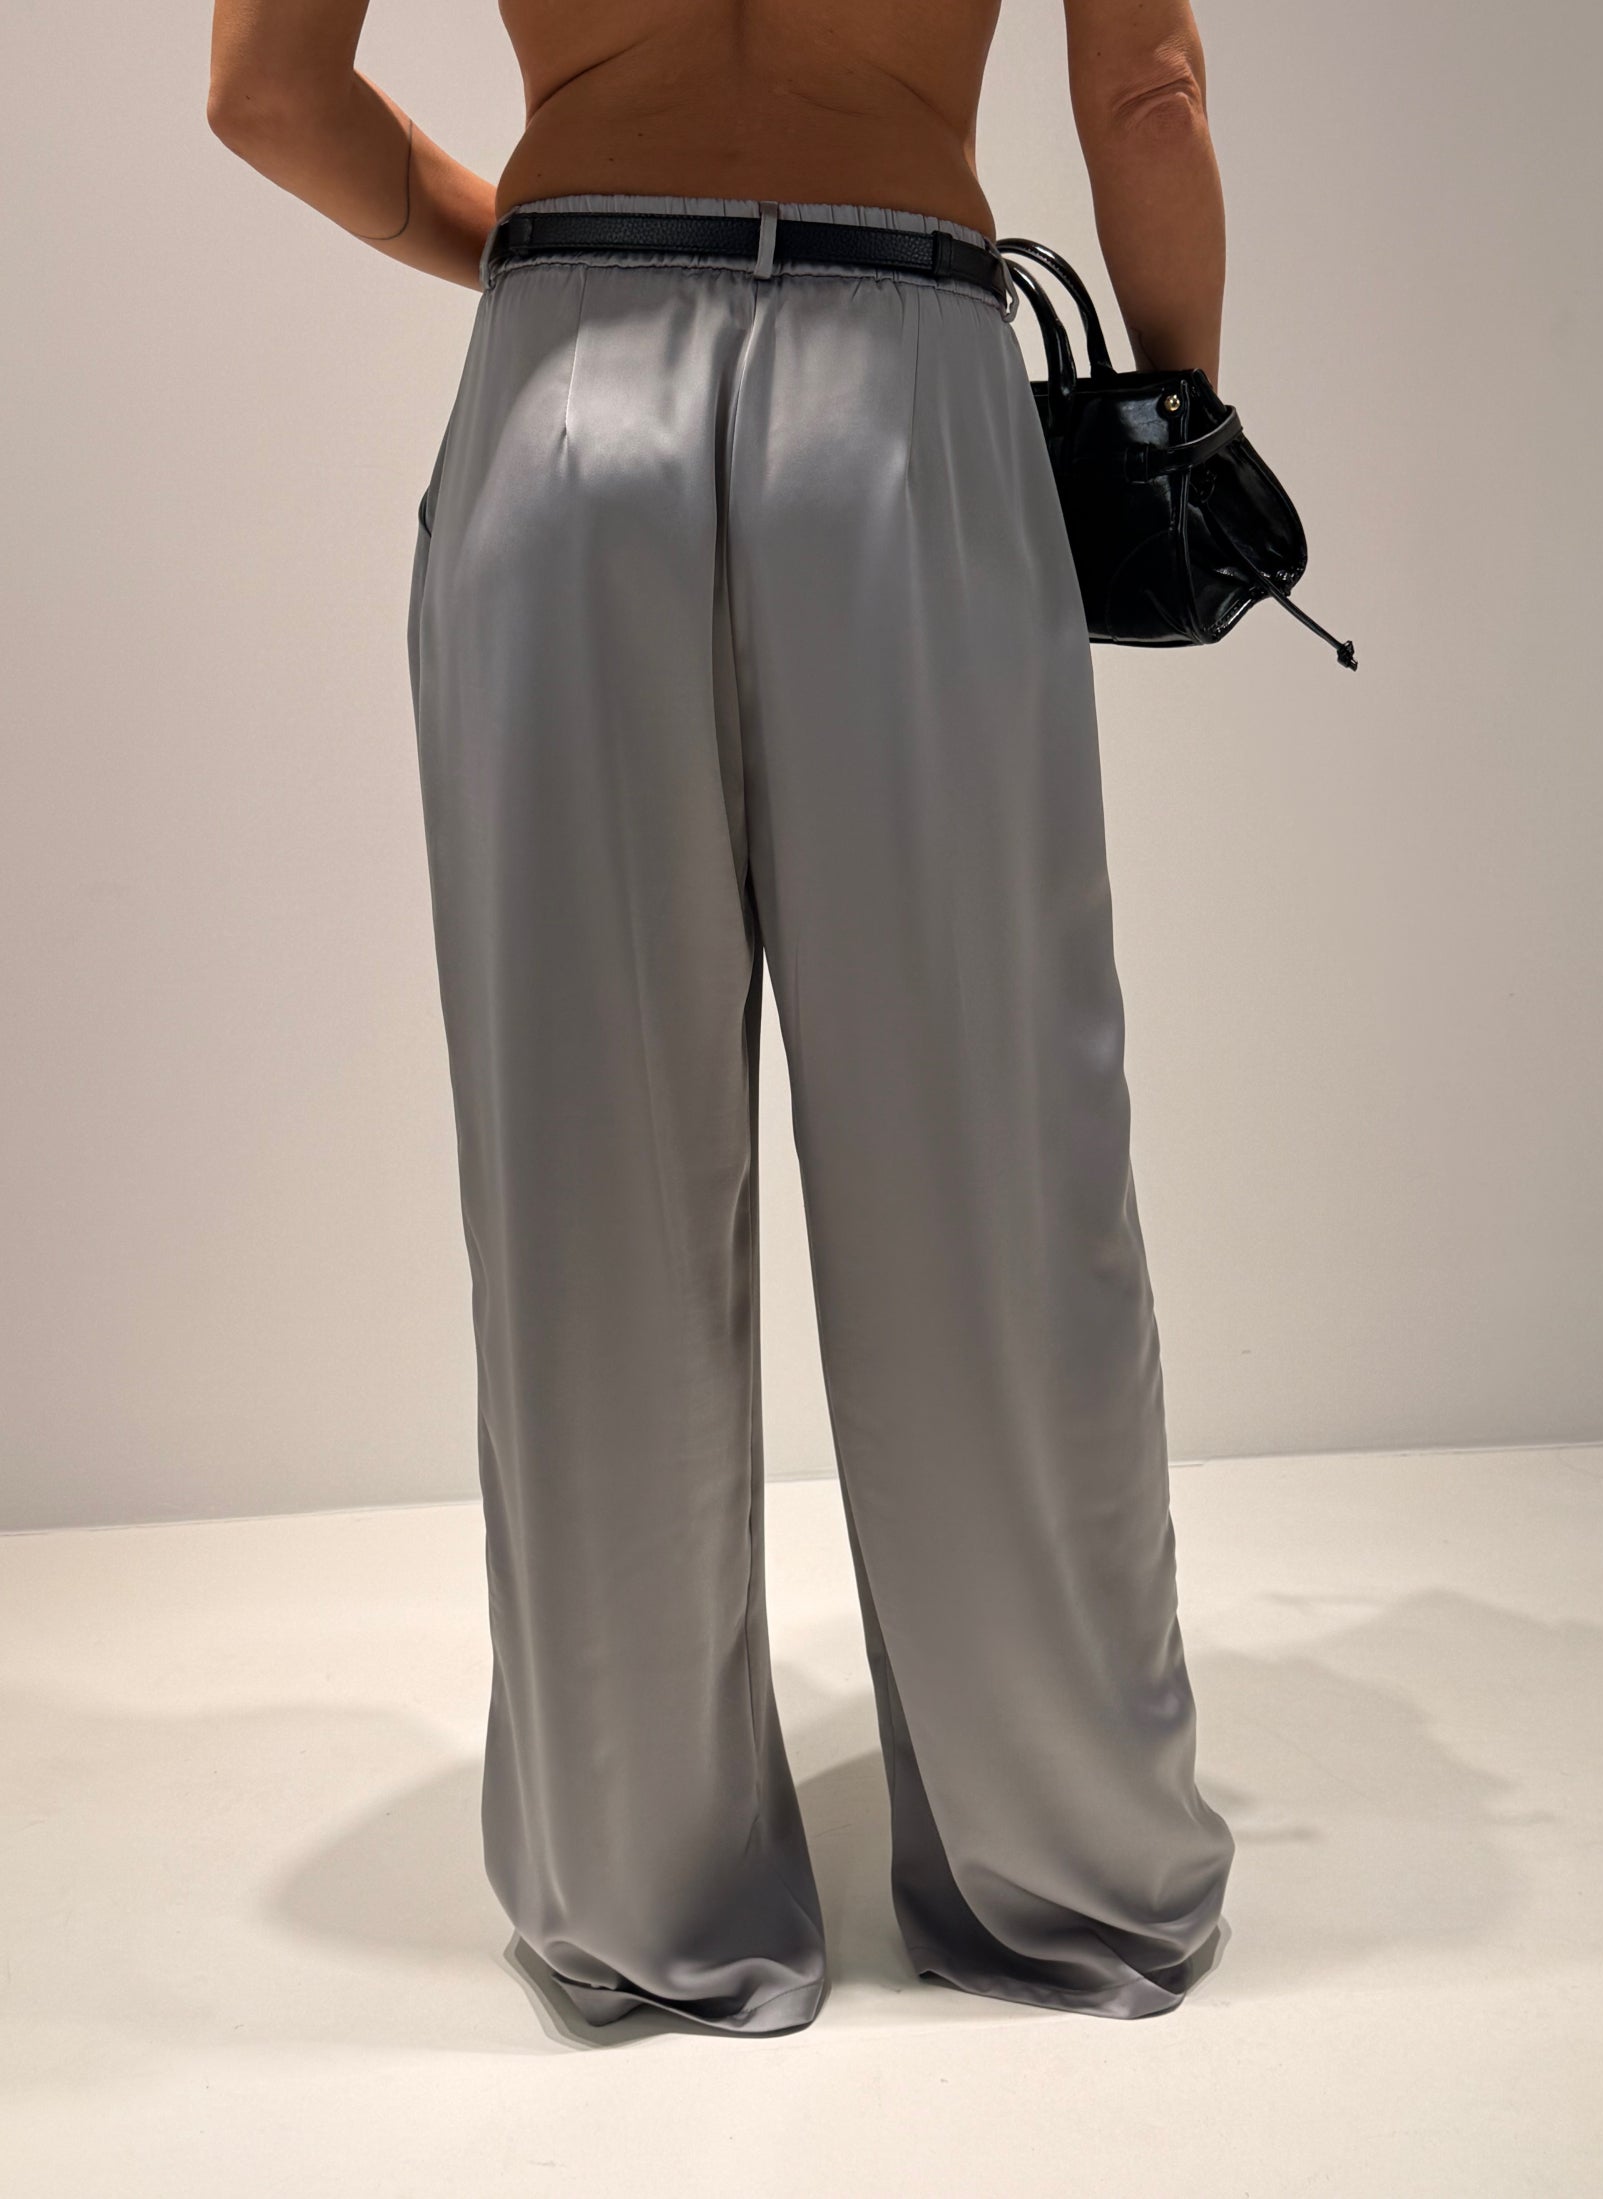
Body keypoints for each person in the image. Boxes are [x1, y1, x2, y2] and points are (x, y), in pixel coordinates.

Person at [207, 0, 1237, 2035]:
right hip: (905, 385)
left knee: (586, 1174)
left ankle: (646, 1886)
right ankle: (1069, 1864)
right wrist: (1176, 407)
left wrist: (543, 248)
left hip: (563, 397)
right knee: (992, 1162)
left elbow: (267, 95)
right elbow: (1142, 92)